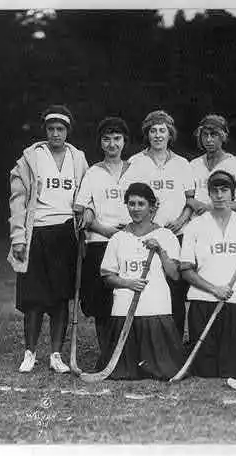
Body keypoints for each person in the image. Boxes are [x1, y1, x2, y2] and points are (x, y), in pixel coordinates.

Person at [8, 104, 89, 373]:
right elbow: (18, 200)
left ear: (68, 131)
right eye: (51, 129)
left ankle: (56, 354)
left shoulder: (78, 159)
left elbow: (88, 195)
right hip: (37, 233)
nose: (56, 134)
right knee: (34, 299)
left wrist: (86, 216)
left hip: (66, 234)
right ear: (45, 131)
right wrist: (18, 237)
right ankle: (29, 353)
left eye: (61, 129)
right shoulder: (31, 157)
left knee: (60, 298)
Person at [97, 182, 184, 380]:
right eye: (131, 203)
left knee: (165, 370)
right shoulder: (118, 238)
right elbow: (107, 276)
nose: (135, 208)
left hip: (156, 305)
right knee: (121, 372)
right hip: (125, 305)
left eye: (141, 204)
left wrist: (160, 250)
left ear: (152, 207)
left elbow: (175, 274)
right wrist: (127, 283)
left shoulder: (165, 235)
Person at [180, 170, 236, 378]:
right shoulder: (195, 225)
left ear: (233, 193)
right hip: (204, 299)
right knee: (206, 370)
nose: (219, 195)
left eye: (224, 190)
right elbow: (186, 270)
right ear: (208, 193)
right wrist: (214, 289)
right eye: (214, 190)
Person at [126, 110, 195, 337]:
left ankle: (174, 337)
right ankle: (149, 338)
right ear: (147, 134)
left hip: (177, 233)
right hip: (147, 235)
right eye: (153, 131)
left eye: (162, 130)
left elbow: (190, 200)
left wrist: (181, 220)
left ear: (170, 133)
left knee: (176, 286)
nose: (157, 135)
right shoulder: (135, 162)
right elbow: (131, 199)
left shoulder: (183, 163)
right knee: (150, 285)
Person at [75, 117, 133, 361]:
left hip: (131, 241)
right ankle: (107, 352)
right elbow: (82, 210)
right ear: (100, 142)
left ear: (124, 142)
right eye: (107, 139)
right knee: (102, 300)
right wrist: (106, 230)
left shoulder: (136, 169)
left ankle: (127, 350)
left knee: (127, 295)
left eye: (117, 138)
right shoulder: (93, 172)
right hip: (100, 241)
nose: (112, 144)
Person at [188, 114, 236, 216]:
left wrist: (216, 207)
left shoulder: (235, 165)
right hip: (198, 222)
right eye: (205, 135)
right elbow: (187, 196)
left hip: (226, 222)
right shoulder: (194, 164)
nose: (208, 139)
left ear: (222, 136)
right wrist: (194, 203)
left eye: (213, 135)